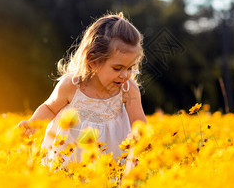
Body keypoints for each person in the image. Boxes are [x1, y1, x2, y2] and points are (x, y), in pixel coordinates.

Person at [17, 13, 146, 166]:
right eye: (117, 68)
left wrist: (141, 151)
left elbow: (139, 126)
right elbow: (50, 108)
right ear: (93, 61)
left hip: (109, 163)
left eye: (130, 68)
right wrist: (33, 125)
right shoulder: (72, 86)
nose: (125, 75)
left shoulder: (128, 90)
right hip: (67, 159)